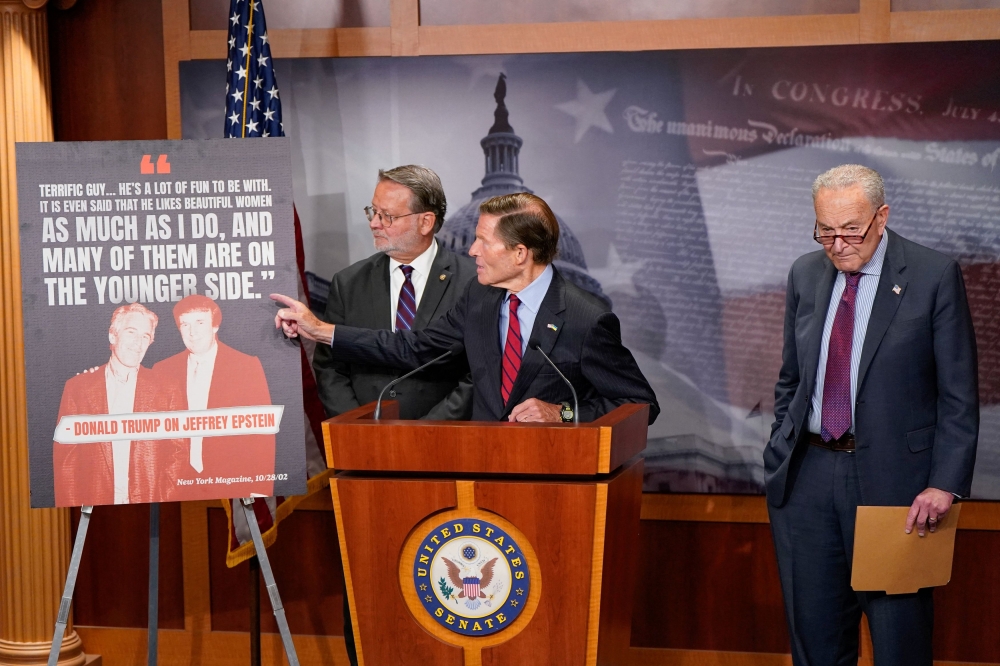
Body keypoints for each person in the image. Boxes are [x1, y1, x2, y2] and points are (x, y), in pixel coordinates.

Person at [766, 164, 979, 666]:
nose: (838, 244)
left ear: (881, 217)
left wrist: (944, 483)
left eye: (851, 230)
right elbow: (791, 378)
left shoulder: (932, 276)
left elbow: (958, 395)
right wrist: (780, 443)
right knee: (816, 644)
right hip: (808, 478)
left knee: (899, 642)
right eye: (825, 231)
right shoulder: (804, 273)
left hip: (898, 489)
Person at [273, 192, 659, 425]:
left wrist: (563, 414)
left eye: (483, 241)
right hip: (480, 473)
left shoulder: (585, 319)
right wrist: (321, 330)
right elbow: (415, 347)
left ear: (520, 253)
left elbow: (640, 404)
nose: (471, 250)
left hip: (550, 480)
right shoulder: (479, 297)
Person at [313, 165, 476, 421]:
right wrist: (359, 426)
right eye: (373, 211)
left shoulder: (472, 282)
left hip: (445, 437)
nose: (374, 223)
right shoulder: (348, 283)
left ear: (425, 222)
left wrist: (427, 431)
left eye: (387, 216)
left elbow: (478, 373)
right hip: (366, 437)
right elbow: (330, 367)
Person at [53, 303, 185, 506]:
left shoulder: (168, 390)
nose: (138, 343)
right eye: (131, 332)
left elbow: (179, 454)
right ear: (113, 336)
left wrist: (162, 501)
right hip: (96, 508)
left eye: (145, 336)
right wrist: (78, 510)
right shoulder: (78, 388)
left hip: (151, 506)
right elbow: (66, 464)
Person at [153, 295, 275, 499]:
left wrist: (259, 489)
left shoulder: (246, 366)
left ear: (215, 326)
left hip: (232, 483)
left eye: (200, 323)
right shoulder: (162, 370)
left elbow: (263, 434)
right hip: (175, 486)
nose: (192, 332)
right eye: (185, 325)